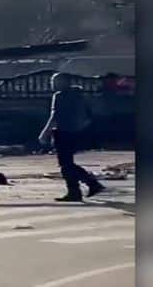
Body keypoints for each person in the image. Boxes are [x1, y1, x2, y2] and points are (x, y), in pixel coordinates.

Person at [38, 73, 106, 202]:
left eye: (54, 81)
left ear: (63, 82)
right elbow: (88, 115)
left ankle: (86, 186)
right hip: (76, 132)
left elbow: (55, 116)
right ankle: (80, 189)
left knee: (66, 164)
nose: (52, 84)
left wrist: (44, 132)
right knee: (68, 164)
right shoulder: (78, 95)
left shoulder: (59, 96)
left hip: (63, 132)